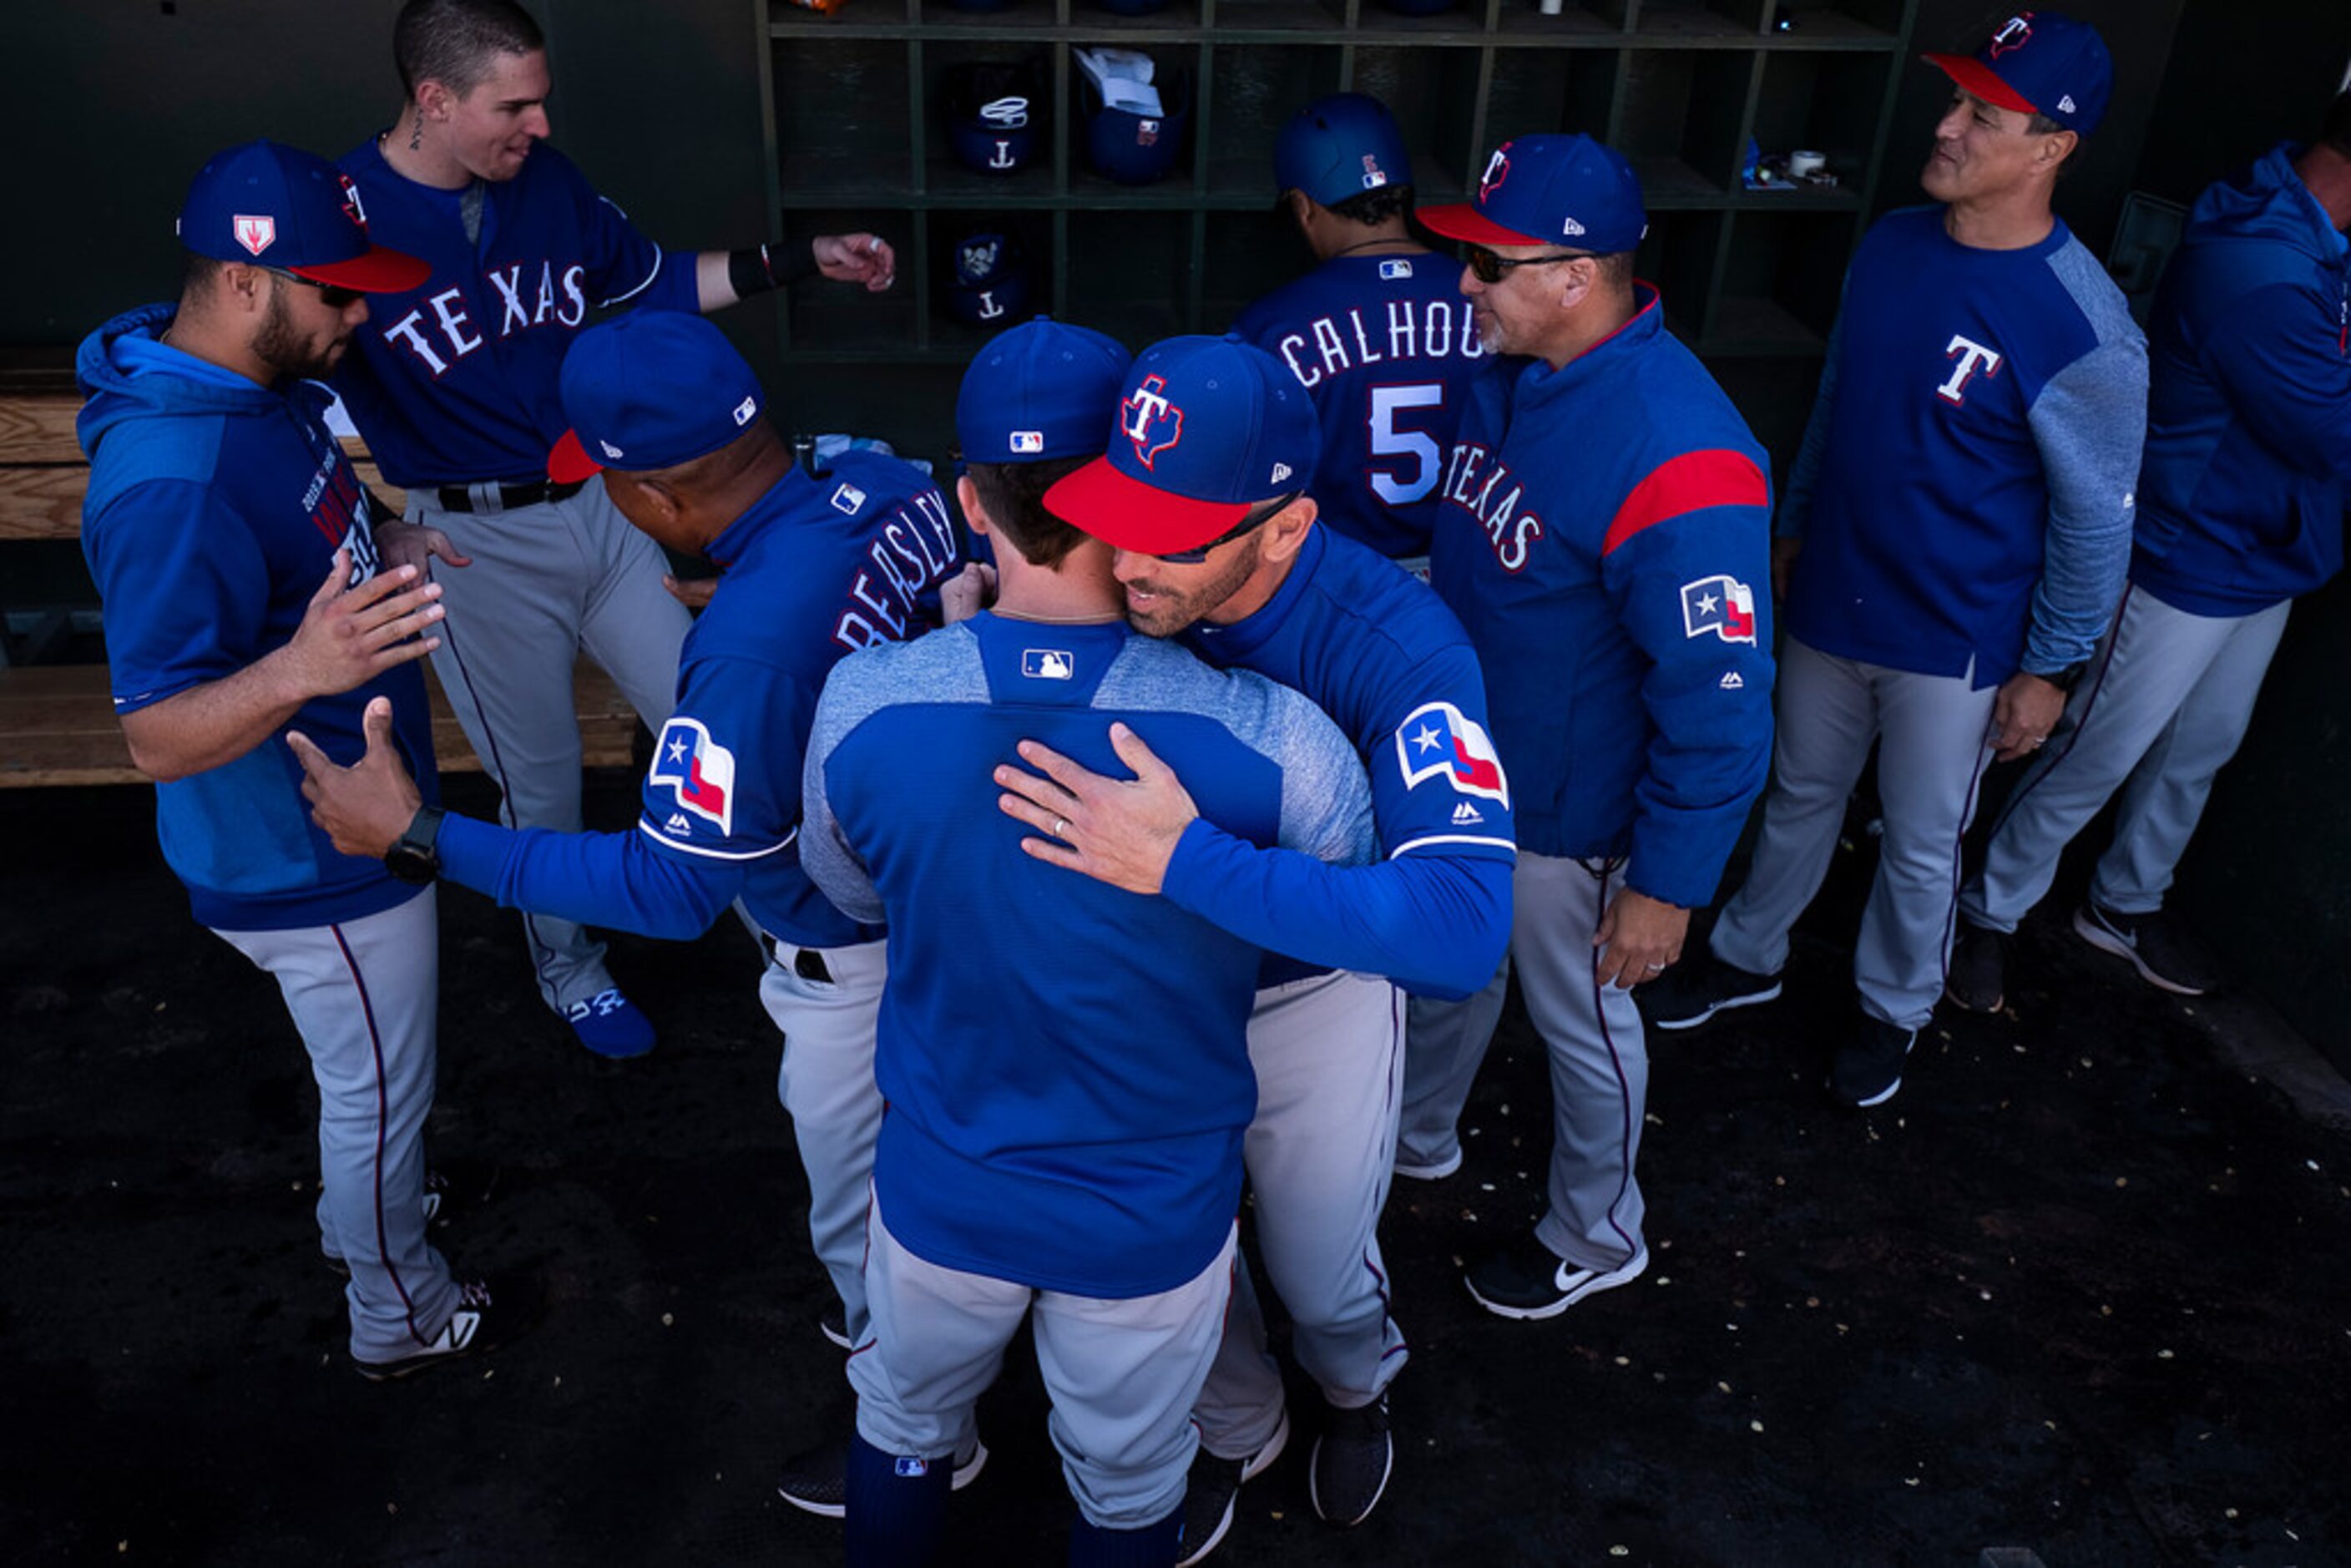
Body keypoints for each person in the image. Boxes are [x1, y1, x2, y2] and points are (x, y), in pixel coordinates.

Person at [290, 311, 962, 1408]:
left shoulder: (747, 647)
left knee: (877, 1243)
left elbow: (675, 888)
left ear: (655, 498)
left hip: (863, 966)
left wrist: (422, 834)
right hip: (959, 898)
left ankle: (918, 1432)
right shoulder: (887, 486)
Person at [798, 333, 1378, 1568]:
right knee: (1126, 1488)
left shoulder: (862, 705)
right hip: (1148, 1215)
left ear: (969, 501)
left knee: (901, 1426)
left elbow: (848, 888)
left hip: (943, 1183)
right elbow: (1318, 940)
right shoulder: (1280, 737)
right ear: (1131, 494)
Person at [999, 335, 1515, 1552]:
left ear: (1281, 527)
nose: (1122, 560)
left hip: (1307, 998)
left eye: (1167, 533)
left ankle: (1353, 1390)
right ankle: (1237, 1427)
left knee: (1321, 1267)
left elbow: (1458, 932)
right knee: (1182, 1257)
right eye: (1112, 513)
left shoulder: (1399, 644)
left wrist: (1189, 861)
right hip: (1155, 989)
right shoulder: (1108, 573)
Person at [332, 0, 897, 1057]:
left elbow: (654, 287)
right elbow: (275, 376)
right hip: (470, 541)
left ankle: (775, 931)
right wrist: (373, 520)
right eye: (516, 105)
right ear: (433, 99)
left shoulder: (543, 183)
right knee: (538, 779)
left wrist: (796, 260)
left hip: (604, 505)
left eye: (540, 102)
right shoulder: (344, 214)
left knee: (710, 718)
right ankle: (568, 965)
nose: (539, 125)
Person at [78, 139, 528, 1379]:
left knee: (377, 1095)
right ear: (242, 279)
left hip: (349, 805)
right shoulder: (170, 479)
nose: (359, 310)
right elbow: (152, 736)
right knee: (378, 1099)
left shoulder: (246, 379)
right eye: (336, 290)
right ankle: (398, 1310)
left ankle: (365, 1227)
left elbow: (298, 520)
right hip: (309, 856)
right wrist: (305, 668)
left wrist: (384, 533)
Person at [1646, 13, 2146, 1110]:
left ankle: (1894, 1009)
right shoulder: (1892, 245)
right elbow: (1840, 402)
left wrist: (2050, 665)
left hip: (1958, 634)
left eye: (1982, 113)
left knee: (1923, 841)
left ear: (2053, 147)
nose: (1948, 125)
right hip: (1835, 589)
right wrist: (1797, 524)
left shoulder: (2083, 325)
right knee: (1799, 792)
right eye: (1955, 99)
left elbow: (2096, 522)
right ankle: (1747, 955)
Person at [1412, 133, 1776, 1318]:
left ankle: (1597, 1230)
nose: (1462, 280)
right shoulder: (1513, 368)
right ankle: (1417, 1138)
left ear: (1576, 275)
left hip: (1574, 816)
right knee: (1446, 976)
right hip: (1470, 773)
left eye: (1490, 262)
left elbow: (1720, 700)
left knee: (1587, 1027)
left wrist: (1667, 881)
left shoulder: (1685, 451)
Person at [1947, 93, 2351, 1009]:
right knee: (2094, 748)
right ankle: (1984, 908)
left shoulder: (2314, 230)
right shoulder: (2261, 269)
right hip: (2188, 548)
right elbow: (2333, 436)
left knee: (2199, 746)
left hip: (2269, 546)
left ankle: (2122, 904)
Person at [1230, 92, 1487, 563]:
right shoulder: (1492, 298)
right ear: (1404, 192)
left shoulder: (1272, 325)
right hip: (1471, 568)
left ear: (1303, 206)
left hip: (1337, 582)